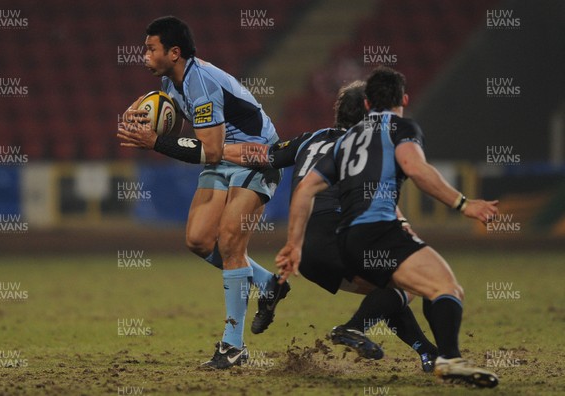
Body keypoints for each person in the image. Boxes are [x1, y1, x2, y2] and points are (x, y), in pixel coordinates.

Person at [275, 66, 500, 388]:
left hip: (347, 240)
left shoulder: (347, 139)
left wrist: (294, 244)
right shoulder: (400, 127)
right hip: (379, 230)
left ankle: (427, 352)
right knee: (446, 288)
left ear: (367, 104)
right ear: (404, 99)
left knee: (409, 289)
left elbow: (305, 190)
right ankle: (448, 359)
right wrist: (464, 204)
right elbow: (416, 169)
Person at [223, 81, 438, 371]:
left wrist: (210, 149)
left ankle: (427, 353)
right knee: (405, 285)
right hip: (338, 237)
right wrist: (407, 233)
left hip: (306, 254)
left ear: (338, 111)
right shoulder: (365, 148)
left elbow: (262, 155)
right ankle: (353, 329)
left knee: (383, 292)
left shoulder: (309, 140)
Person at [117, 16, 289, 369]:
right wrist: (147, 115)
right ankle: (269, 284)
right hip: (223, 154)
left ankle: (233, 347)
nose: (144, 54)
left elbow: (209, 150)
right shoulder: (173, 79)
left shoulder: (201, 82)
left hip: (255, 156)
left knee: (229, 243)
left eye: (151, 48)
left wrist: (156, 142)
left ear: (174, 52)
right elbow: (188, 124)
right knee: (198, 240)